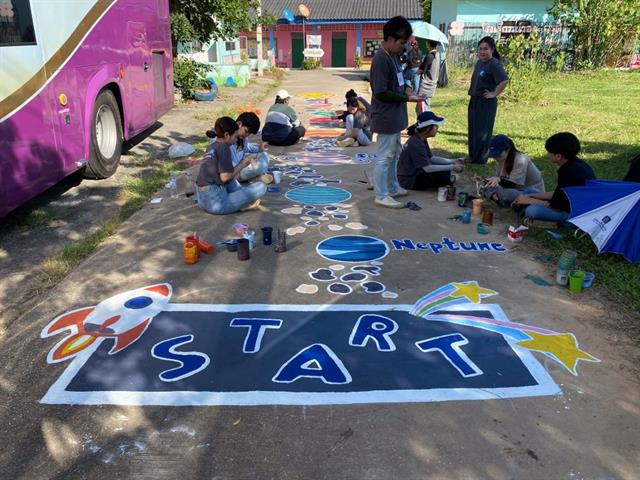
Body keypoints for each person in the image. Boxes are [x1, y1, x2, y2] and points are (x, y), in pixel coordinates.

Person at [370, 16, 425, 208]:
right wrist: (407, 98)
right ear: (391, 39)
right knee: (384, 156)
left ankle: (392, 187)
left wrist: (408, 90)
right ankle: (381, 194)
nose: (404, 47)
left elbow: (400, 81)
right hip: (385, 116)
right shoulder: (380, 60)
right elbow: (381, 93)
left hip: (396, 115)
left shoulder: (394, 56)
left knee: (394, 153)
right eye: (402, 42)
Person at [513, 132, 596, 223]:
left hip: (573, 213)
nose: (548, 155)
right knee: (529, 191)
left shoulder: (569, 172)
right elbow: (558, 194)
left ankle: (524, 209)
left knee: (532, 210)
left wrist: (529, 200)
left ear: (558, 156)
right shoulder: (575, 164)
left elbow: (557, 206)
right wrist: (530, 196)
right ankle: (523, 206)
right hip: (566, 203)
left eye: (549, 152)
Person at [196, 117, 266, 215]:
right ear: (226, 135)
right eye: (235, 137)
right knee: (261, 187)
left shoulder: (212, 146)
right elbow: (225, 177)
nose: (236, 139)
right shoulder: (224, 148)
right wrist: (243, 163)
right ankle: (242, 201)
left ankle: (241, 197)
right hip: (217, 203)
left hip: (203, 199)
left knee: (232, 181)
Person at [467, 36, 509, 164]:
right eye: (480, 49)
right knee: (473, 130)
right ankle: (473, 156)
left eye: (486, 49)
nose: (482, 51)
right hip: (474, 100)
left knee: (482, 132)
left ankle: (480, 159)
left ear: (492, 49)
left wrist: (494, 93)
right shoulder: (480, 62)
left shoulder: (494, 64)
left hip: (485, 103)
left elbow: (504, 80)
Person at [397, 111, 463, 190]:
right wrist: (452, 167)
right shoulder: (417, 144)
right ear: (428, 128)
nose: (437, 128)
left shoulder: (420, 138)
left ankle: (449, 178)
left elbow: (430, 158)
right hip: (409, 180)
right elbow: (427, 168)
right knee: (444, 175)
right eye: (436, 126)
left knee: (444, 171)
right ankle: (449, 179)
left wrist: (453, 161)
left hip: (414, 173)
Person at [477, 134, 545, 206]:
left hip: (531, 192)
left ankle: (497, 197)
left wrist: (498, 180)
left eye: (498, 155)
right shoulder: (500, 159)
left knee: (507, 193)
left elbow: (512, 184)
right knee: (486, 185)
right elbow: (500, 181)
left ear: (508, 150)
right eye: (494, 155)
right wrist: (483, 179)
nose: (496, 158)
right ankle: (497, 198)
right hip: (514, 189)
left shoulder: (521, 159)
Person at [210, 112, 271, 183]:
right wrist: (243, 163)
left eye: (249, 134)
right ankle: (243, 178)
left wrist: (259, 149)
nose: (247, 135)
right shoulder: (223, 141)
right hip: (231, 172)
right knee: (260, 167)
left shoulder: (241, 137)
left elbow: (245, 147)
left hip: (239, 167)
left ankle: (252, 177)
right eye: (246, 131)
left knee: (264, 156)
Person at [416, 40, 440, 113]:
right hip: (432, 84)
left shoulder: (429, 56)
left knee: (422, 109)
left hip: (426, 86)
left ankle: (427, 124)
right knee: (422, 107)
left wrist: (421, 64)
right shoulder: (437, 54)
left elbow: (419, 71)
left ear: (428, 44)